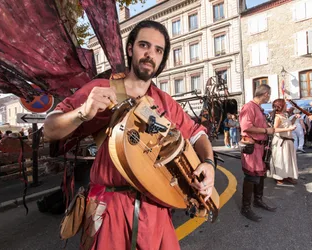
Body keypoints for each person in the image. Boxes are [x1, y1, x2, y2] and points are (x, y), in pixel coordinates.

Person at [43, 20, 215, 250]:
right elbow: (50, 129)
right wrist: (83, 113)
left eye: (158, 50)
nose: (150, 54)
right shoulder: (102, 88)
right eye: (144, 45)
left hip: (156, 210)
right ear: (130, 48)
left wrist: (209, 163)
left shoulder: (165, 101)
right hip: (110, 209)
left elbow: (196, 134)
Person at [239, 84, 278, 222]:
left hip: (260, 147)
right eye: (269, 94)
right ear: (266, 94)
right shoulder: (249, 107)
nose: (269, 97)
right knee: (251, 176)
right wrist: (266, 131)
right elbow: (246, 126)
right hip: (252, 147)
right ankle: (246, 208)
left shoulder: (258, 108)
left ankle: (258, 200)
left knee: (260, 175)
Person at [269, 99, 298, 185]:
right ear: (281, 106)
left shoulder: (284, 115)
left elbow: (287, 125)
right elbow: (275, 129)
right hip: (281, 141)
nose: (287, 106)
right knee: (281, 160)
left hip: (287, 141)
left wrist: (295, 119)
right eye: (285, 104)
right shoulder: (278, 117)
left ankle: (288, 175)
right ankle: (279, 177)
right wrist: (289, 129)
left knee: (288, 160)